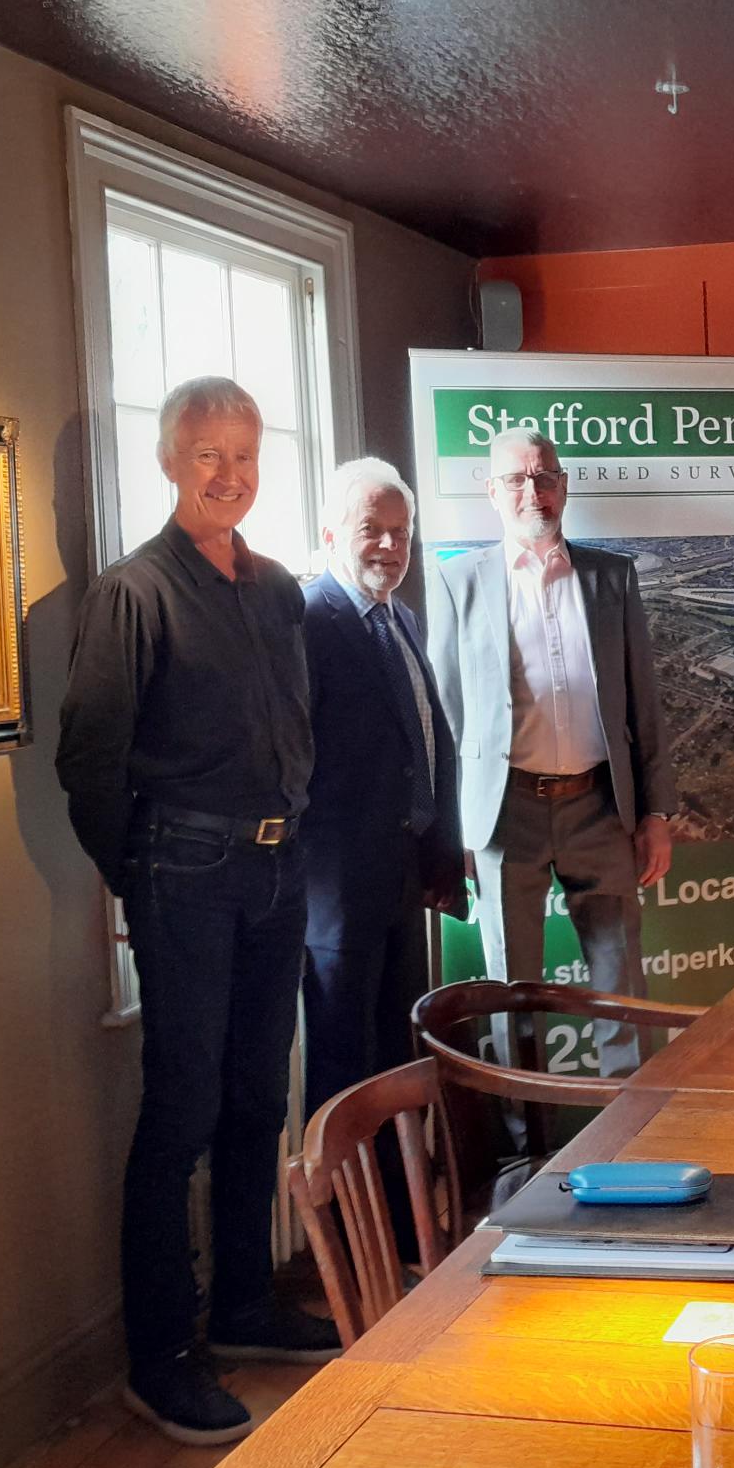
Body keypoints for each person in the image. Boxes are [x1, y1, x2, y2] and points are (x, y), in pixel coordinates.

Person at [56, 376, 335, 1446]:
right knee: (181, 1112)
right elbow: (89, 764)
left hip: (277, 868)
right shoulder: (133, 593)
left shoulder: (276, 589)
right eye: (207, 453)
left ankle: (246, 1306)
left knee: (259, 1096)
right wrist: (144, 880)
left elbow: (295, 727)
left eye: (244, 454)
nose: (229, 474)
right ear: (170, 462)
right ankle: (162, 1356)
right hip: (185, 872)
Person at [426, 429, 675, 1074]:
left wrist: (656, 813)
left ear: (563, 486)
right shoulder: (457, 582)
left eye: (544, 477)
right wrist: (454, 830)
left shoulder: (611, 577)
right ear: (492, 491)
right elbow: (446, 718)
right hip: (505, 814)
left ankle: (632, 1120)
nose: (532, 492)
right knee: (513, 994)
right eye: (516, 479)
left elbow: (642, 702)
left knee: (623, 988)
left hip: (601, 807)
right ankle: (524, 1131)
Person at [300, 458, 462, 1122]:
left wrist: (439, 849)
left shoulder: (403, 620)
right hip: (336, 890)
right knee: (342, 1069)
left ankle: (400, 1192)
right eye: (373, 528)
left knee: (398, 1060)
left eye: (402, 531)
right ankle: (338, 1195)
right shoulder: (306, 621)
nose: (391, 545)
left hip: (402, 877)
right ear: (331, 534)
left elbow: (421, 744)